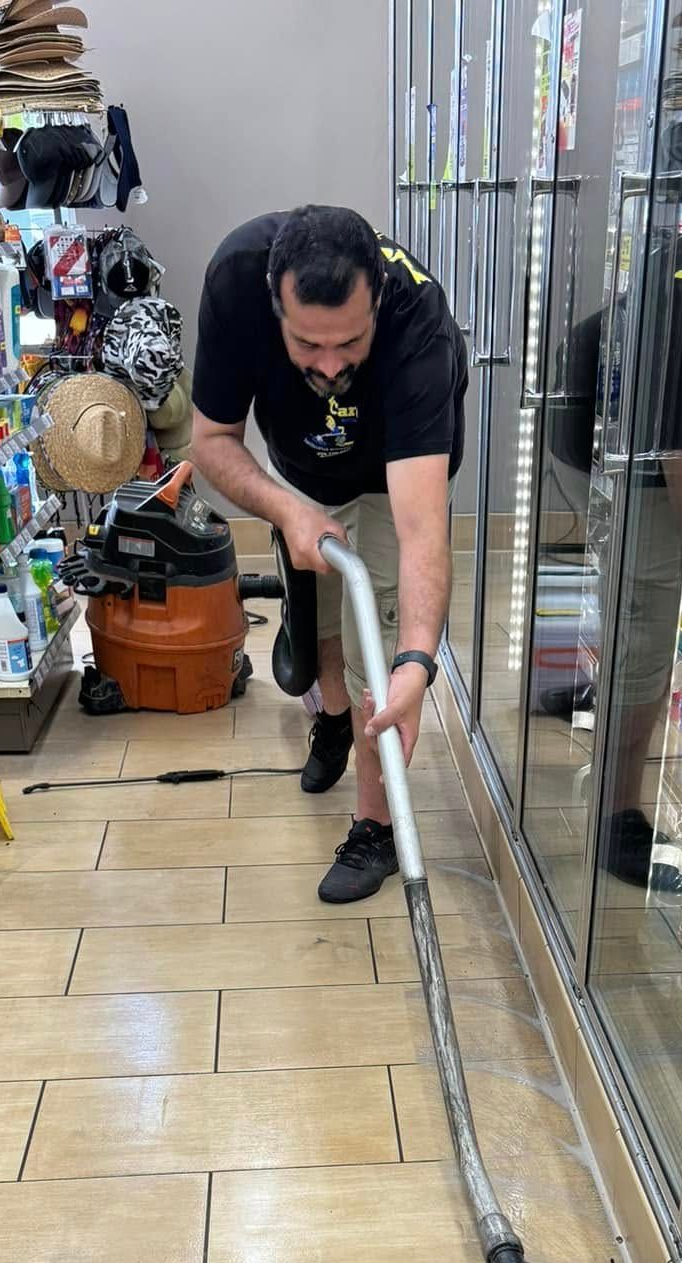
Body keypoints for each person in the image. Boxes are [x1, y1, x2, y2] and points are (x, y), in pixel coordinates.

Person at [191, 204, 468, 902]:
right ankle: (334, 722)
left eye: (349, 342)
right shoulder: (233, 280)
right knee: (317, 635)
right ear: (274, 301)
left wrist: (416, 663)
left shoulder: (418, 324)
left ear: (376, 298)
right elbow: (212, 439)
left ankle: (375, 826)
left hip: (388, 475)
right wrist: (287, 510)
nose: (331, 364)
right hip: (301, 475)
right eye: (308, 345)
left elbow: (421, 530)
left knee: (373, 637)